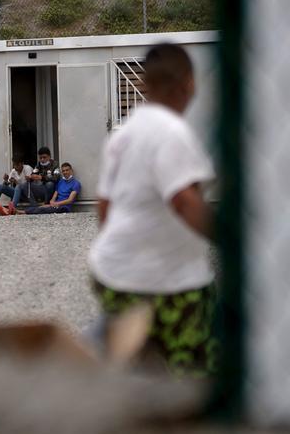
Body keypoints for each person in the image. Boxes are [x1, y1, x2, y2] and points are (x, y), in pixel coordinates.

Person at [88, 43, 215, 376]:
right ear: (189, 84)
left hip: (112, 273)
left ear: (145, 84)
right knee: (194, 371)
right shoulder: (173, 132)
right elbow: (185, 202)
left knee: (138, 368)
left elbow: (104, 210)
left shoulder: (124, 134)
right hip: (171, 285)